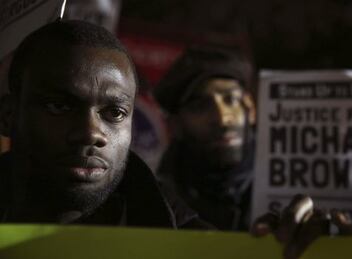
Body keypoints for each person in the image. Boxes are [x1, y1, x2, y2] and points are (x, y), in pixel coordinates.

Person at [0, 20, 210, 229]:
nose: (91, 133)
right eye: (59, 106)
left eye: (115, 113)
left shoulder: (195, 245)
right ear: (8, 115)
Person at [154, 46, 256, 230]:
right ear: (175, 125)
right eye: (200, 106)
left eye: (231, 99)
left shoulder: (291, 185)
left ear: (251, 108)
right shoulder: (154, 203)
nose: (222, 119)